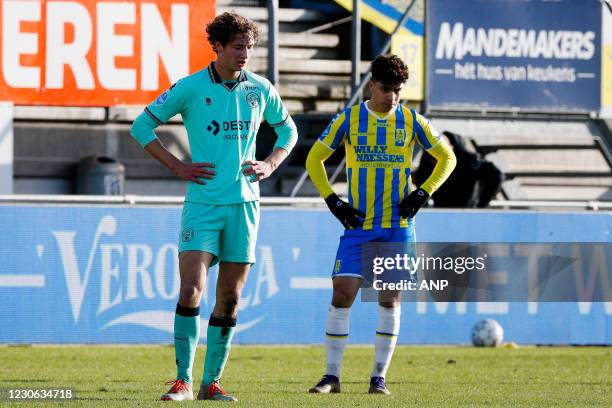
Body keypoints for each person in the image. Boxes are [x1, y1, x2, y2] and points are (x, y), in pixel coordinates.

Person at [130, 12, 297, 402]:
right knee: (191, 289)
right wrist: (177, 165)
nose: (245, 54)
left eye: (250, 47)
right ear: (217, 46)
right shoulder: (189, 88)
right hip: (203, 205)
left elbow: (288, 130)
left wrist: (270, 163)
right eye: (238, 47)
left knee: (231, 298)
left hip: (245, 205)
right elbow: (141, 126)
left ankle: (211, 384)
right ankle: (183, 381)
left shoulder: (260, 88)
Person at [305, 54, 456, 395]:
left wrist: (423, 192)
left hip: (397, 226)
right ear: (372, 84)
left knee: (389, 299)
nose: (392, 97)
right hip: (359, 225)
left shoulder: (412, 120)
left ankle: (378, 378)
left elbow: (448, 157)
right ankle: (331, 376)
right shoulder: (350, 119)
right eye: (386, 89)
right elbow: (315, 158)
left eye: (398, 90)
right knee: (343, 293)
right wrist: (332, 198)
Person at [413, 131, 503, 208]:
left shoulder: (468, 160)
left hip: (466, 210)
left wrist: (481, 204)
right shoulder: (427, 157)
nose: (436, 160)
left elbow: (495, 175)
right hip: (441, 210)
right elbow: (420, 179)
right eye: (434, 158)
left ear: (450, 149)